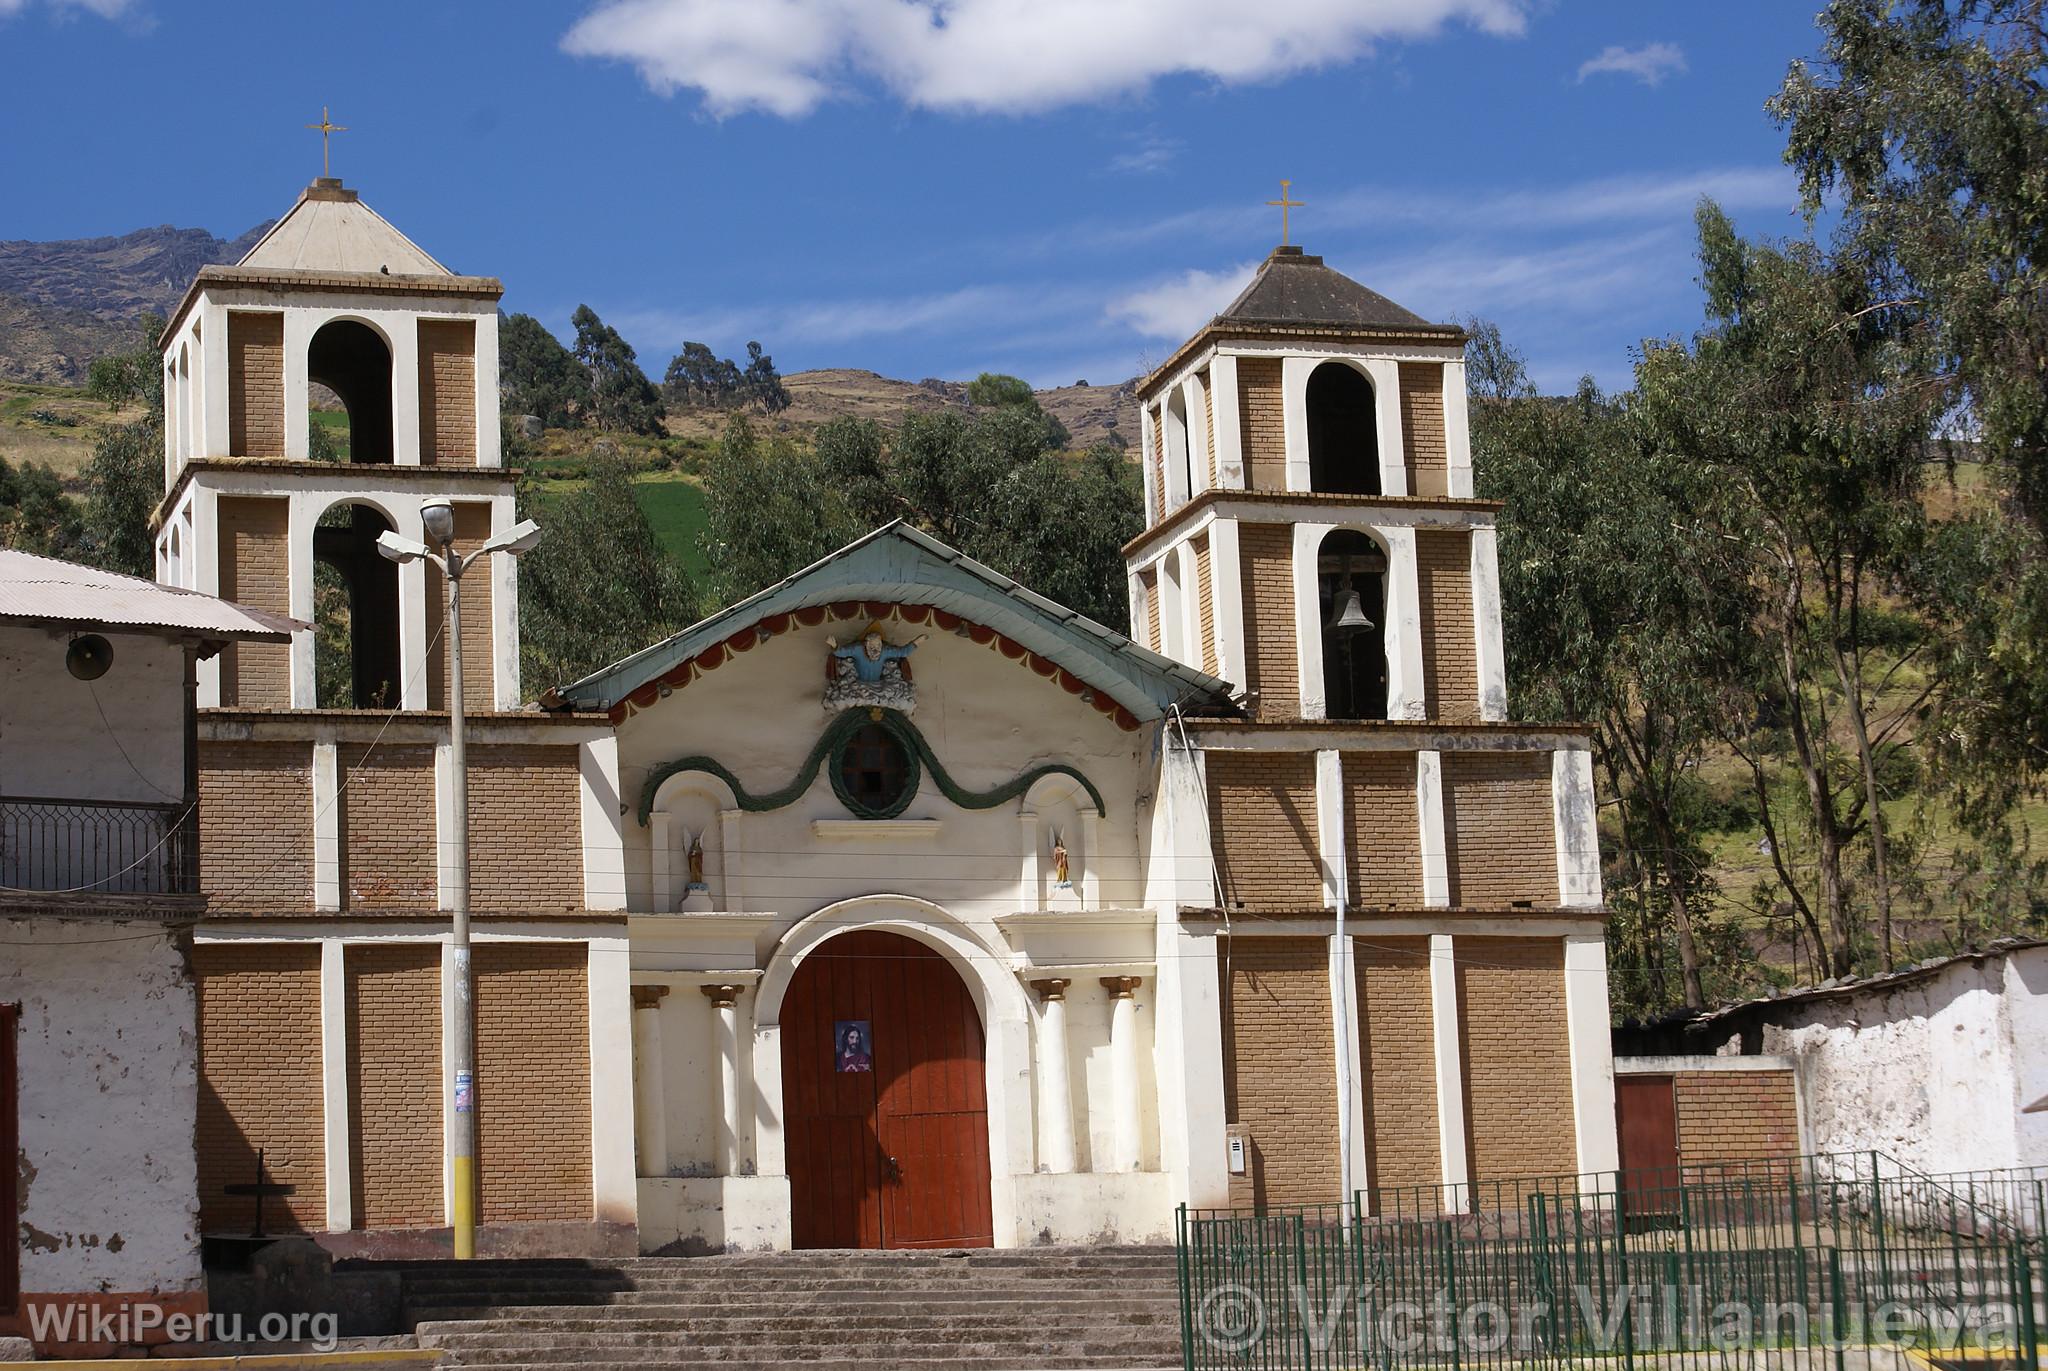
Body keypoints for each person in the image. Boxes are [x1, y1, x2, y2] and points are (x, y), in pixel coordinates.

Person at [826, 623, 926, 683]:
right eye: (872, 647)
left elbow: (902, 652)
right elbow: (842, 652)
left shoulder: (885, 651)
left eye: (878, 646)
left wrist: (917, 642)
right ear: (866, 644)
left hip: (878, 685)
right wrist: (834, 645)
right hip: (859, 685)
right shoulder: (858, 649)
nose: (876, 650)